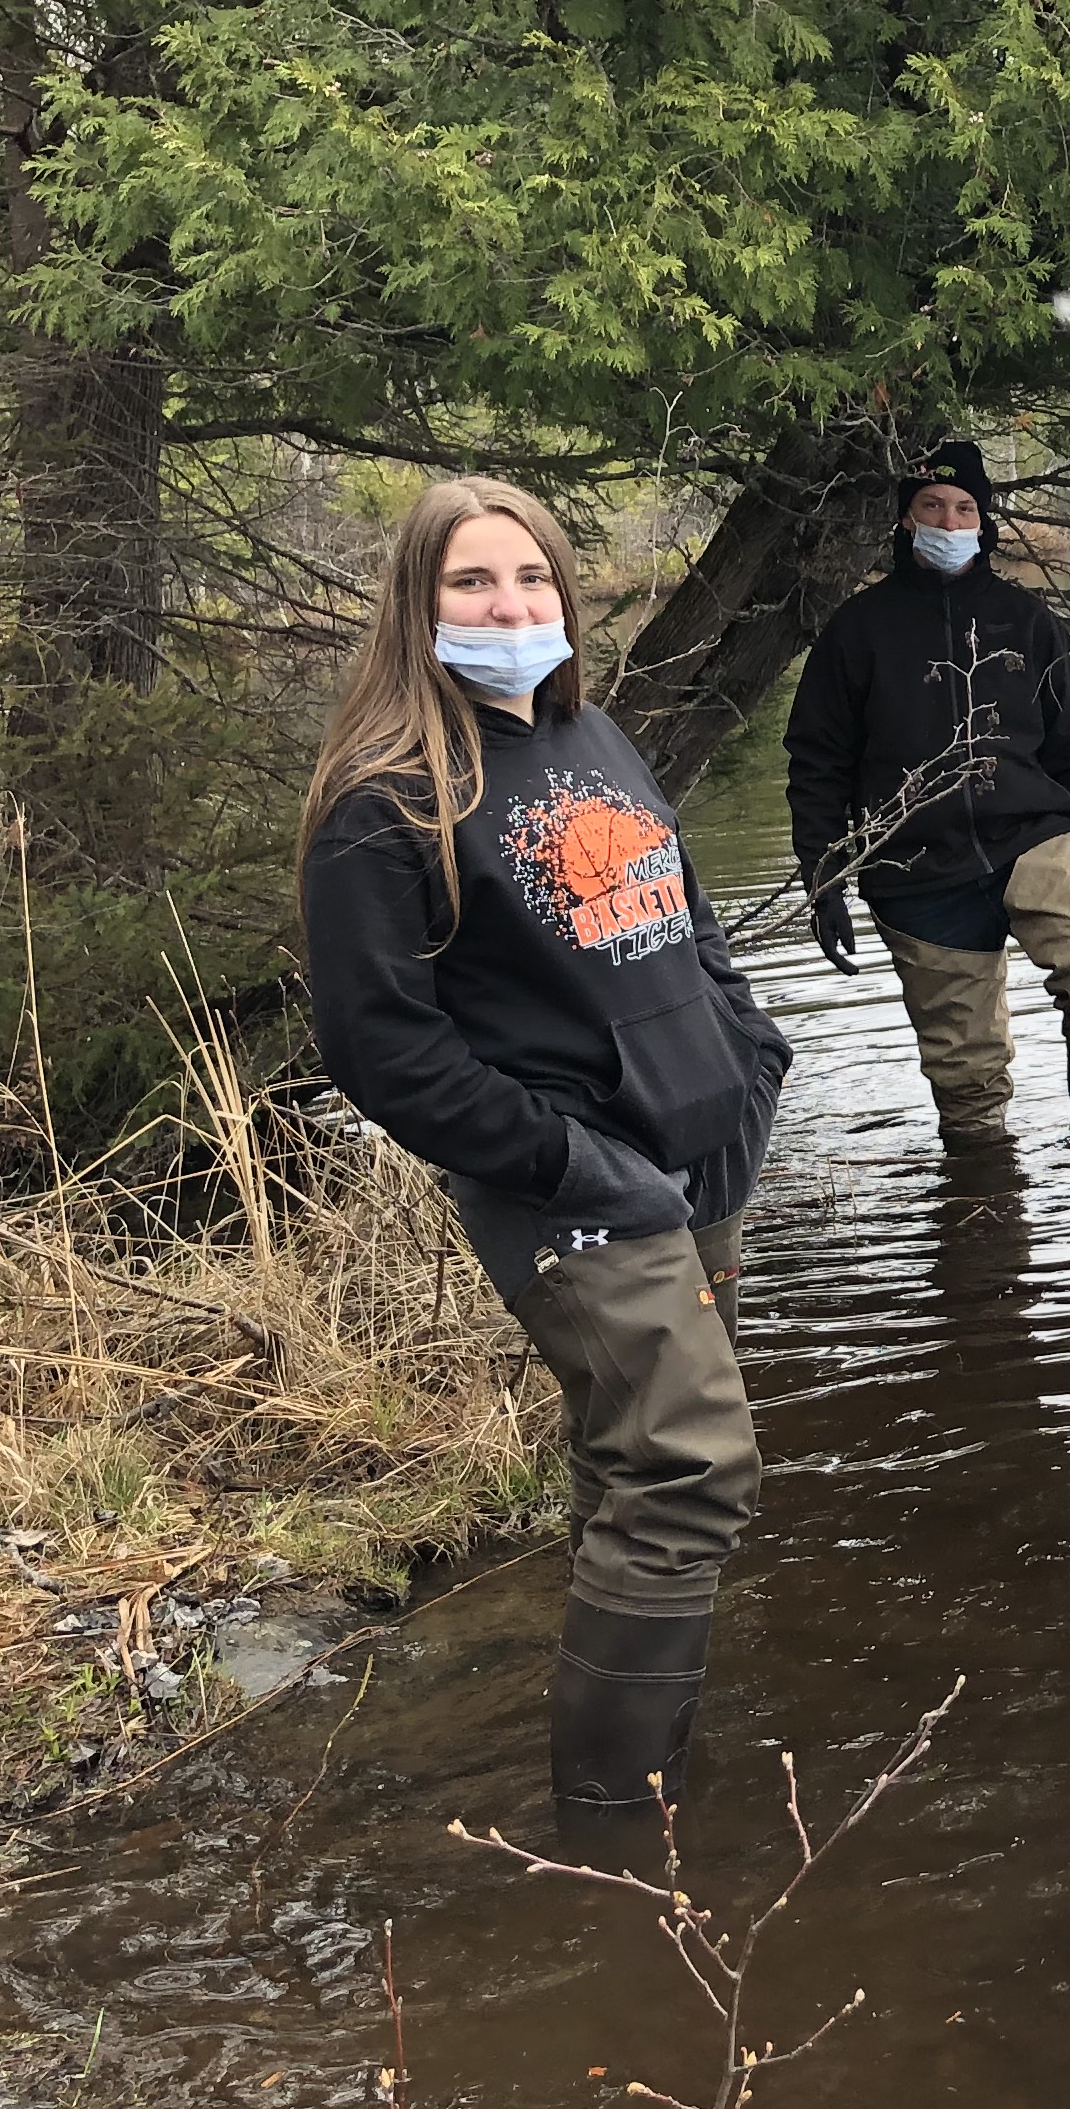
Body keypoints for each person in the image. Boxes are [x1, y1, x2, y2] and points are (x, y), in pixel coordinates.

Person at [299, 477, 792, 1809]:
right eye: (471, 583)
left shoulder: (596, 737)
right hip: (573, 1187)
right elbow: (380, 1048)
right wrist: (577, 1166)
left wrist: (749, 1057)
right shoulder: (384, 801)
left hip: (702, 1162)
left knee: (635, 1464)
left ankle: (647, 1780)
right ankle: (614, 1826)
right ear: (417, 606)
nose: (509, 606)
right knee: (694, 1472)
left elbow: (683, 917)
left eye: (531, 580)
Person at [783, 439, 1070, 1176]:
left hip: (1032, 840)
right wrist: (825, 881)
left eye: (964, 508)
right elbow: (817, 764)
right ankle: (985, 1221)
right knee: (968, 1092)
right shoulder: (857, 632)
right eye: (931, 506)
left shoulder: (1027, 621)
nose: (948, 520)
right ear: (906, 520)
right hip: (916, 868)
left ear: (984, 523)